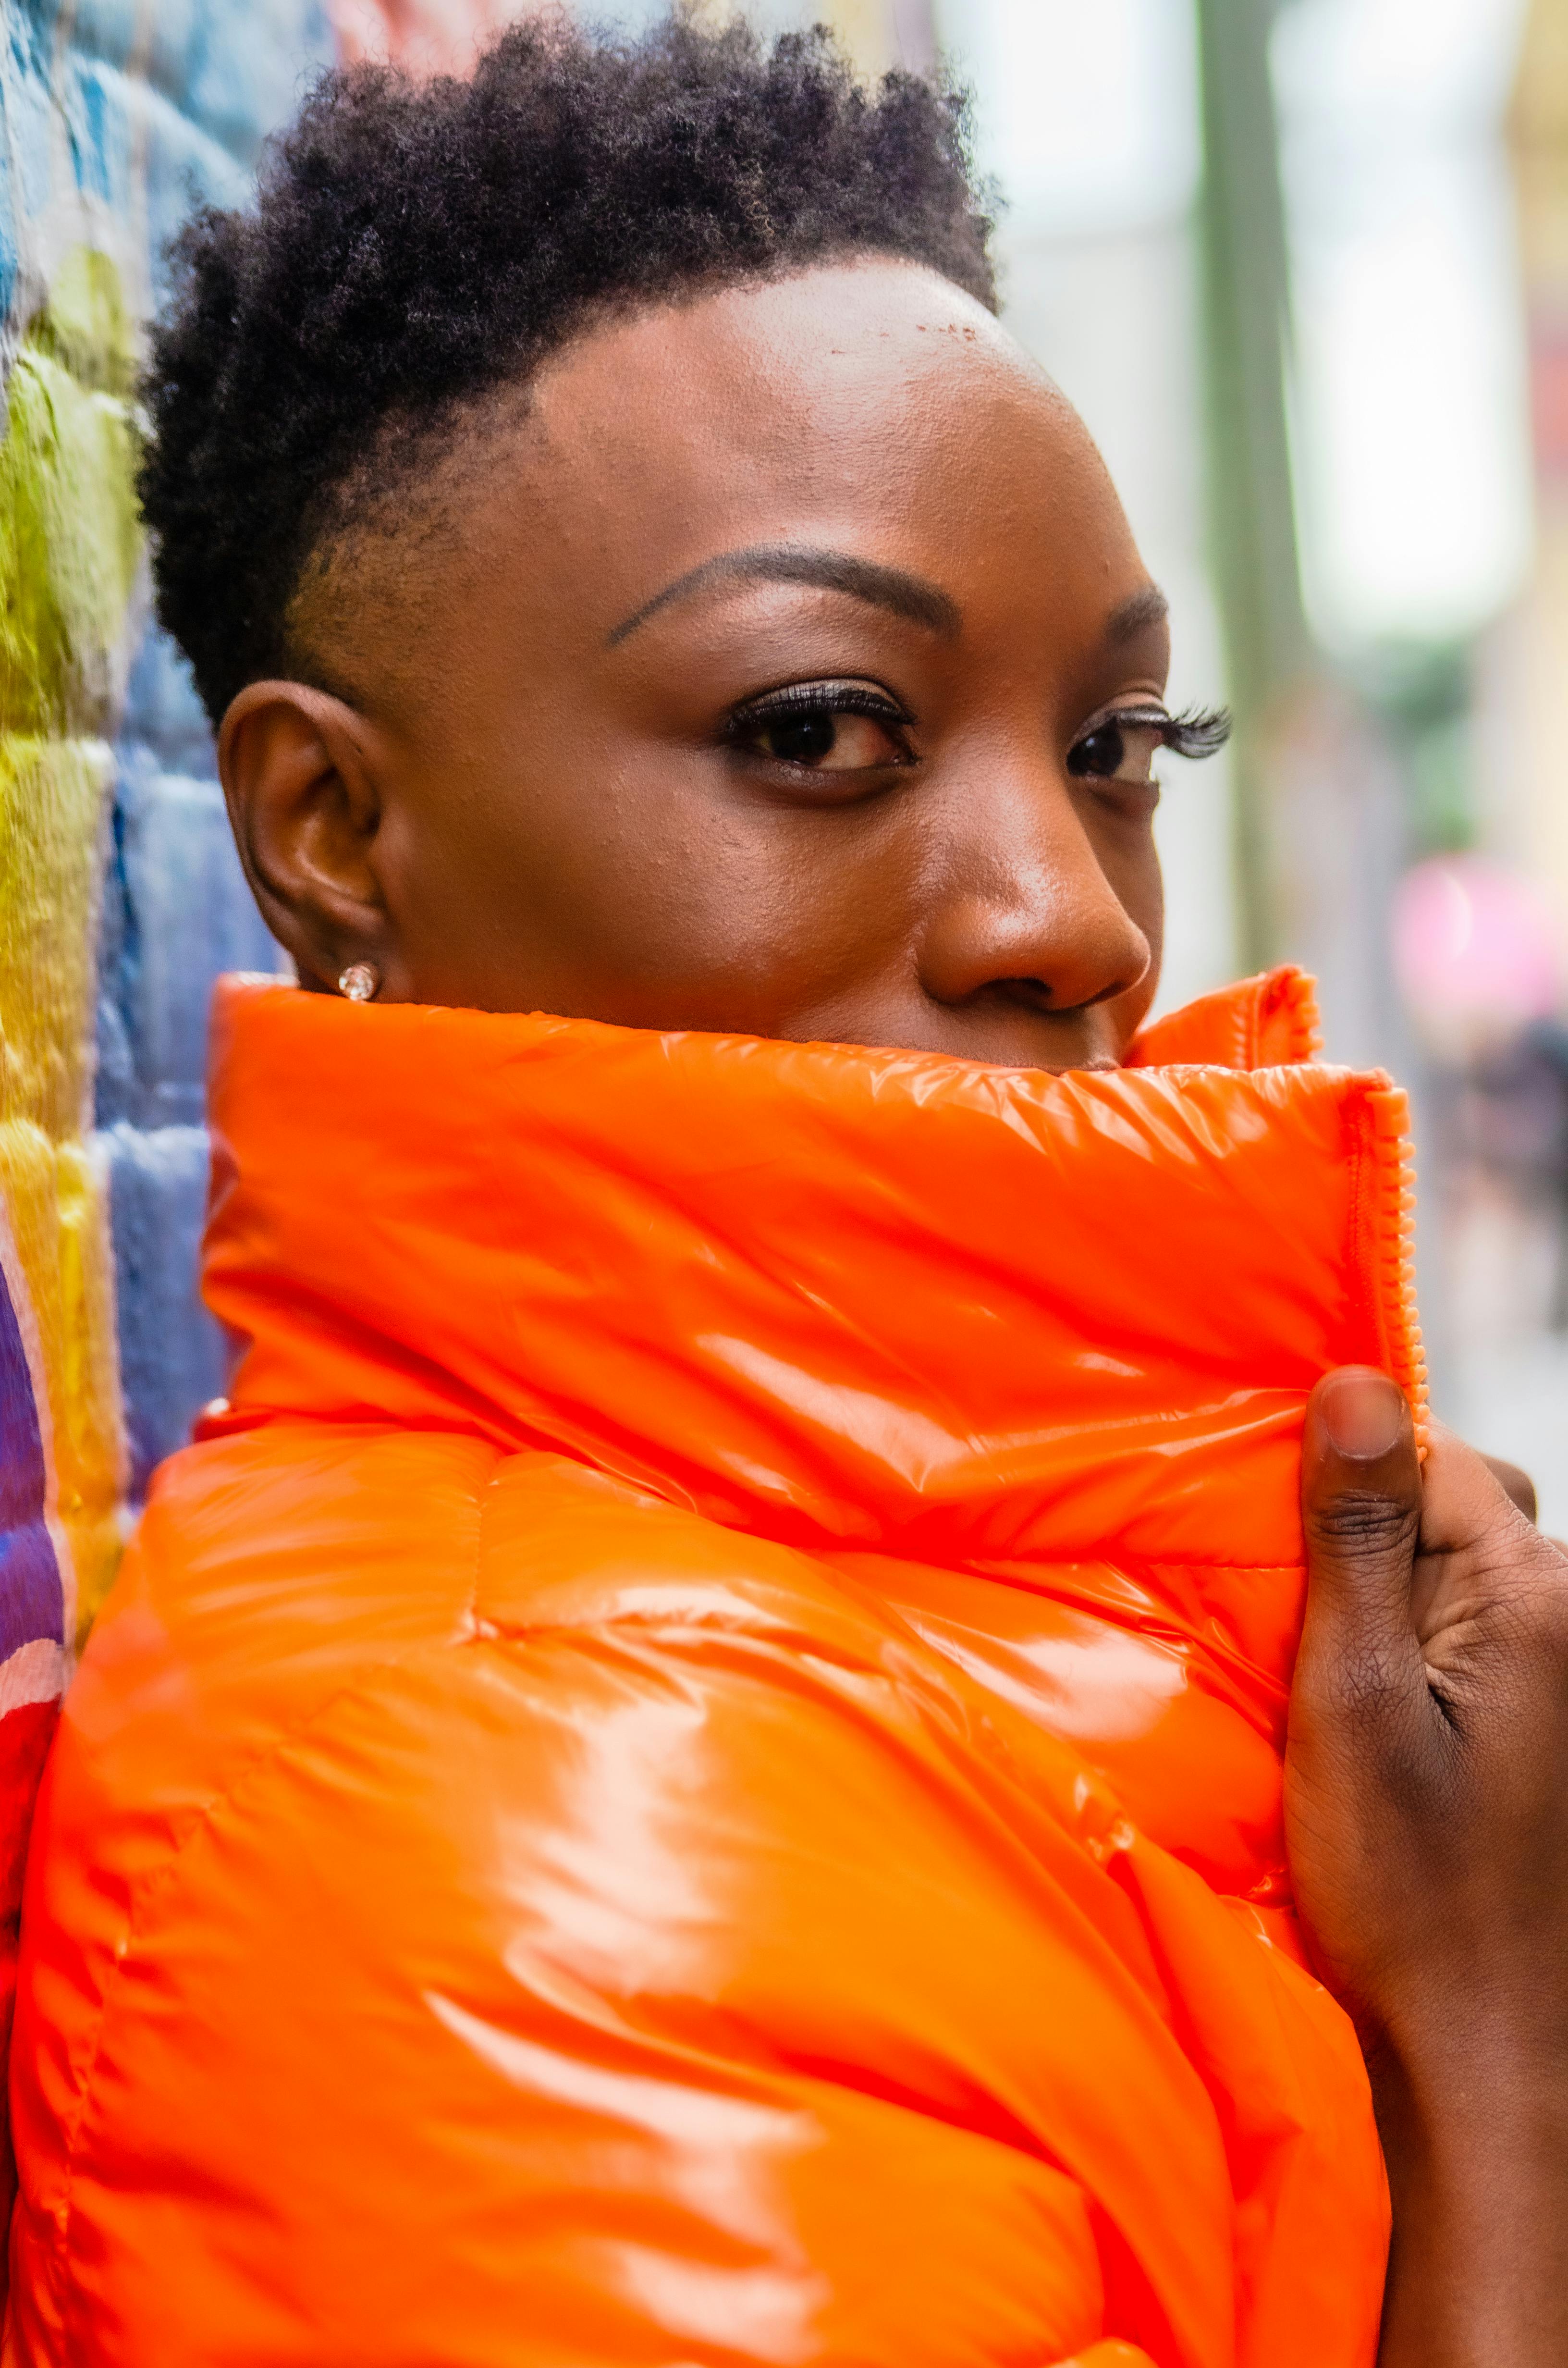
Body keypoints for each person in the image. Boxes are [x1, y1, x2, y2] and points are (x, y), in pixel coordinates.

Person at [9, 18, 1568, 2366]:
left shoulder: (895, 1610)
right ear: (332, 830)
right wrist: (1491, 2052)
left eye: (1117, 747)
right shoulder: (498, 1850)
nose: (1079, 915)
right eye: (819, 730)